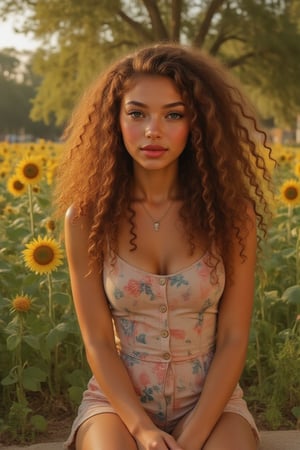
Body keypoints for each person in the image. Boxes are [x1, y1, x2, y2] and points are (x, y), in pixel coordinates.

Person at [54, 43, 273, 450]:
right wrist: (142, 430)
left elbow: (232, 338)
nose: (153, 130)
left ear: (197, 125)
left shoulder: (230, 215)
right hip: (118, 406)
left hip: (212, 404)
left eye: (173, 114)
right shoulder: (86, 218)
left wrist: (192, 437)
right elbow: (99, 341)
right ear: (114, 121)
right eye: (137, 113)